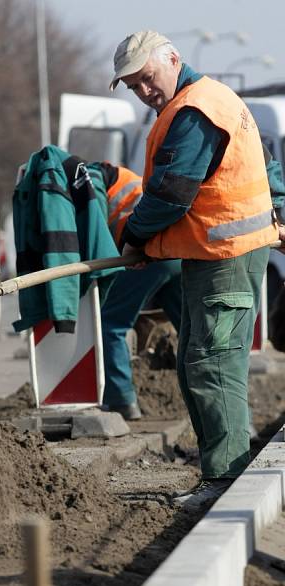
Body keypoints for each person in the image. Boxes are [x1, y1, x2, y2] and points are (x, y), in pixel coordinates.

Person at [109, 30, 285, 505]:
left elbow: (171, 194)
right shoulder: (218, 98)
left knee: (211, 365)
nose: (145, 91)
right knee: (200, 362)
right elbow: (268, 168)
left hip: (223, 259)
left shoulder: (192, 111)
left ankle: (225, 482)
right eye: (133, 87)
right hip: (215, 256)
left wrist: (133, 236)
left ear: (172, 59)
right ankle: (222, 470)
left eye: (146, 78)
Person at [87, 161, 182, 421]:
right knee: (191, 330)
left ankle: (121, 400)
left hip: (150, 252)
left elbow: (96, 236)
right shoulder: (122, 179)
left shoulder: (92, 182)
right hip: (177, 250)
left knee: (111, 322)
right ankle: (222, 409)